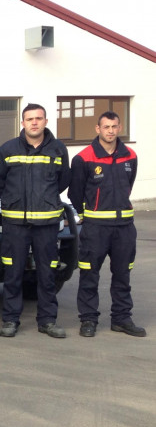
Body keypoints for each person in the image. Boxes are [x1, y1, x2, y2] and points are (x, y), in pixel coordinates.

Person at [0, 103, 71, 338]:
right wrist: (14, 201)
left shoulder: (58, 150)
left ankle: (47, 321)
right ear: (22, 123)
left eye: (38, 118)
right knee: (13, 274)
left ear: (46, 121)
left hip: (46, 225)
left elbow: (63, 180)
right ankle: (10, 320)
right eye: (29, 119)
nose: (34, 122)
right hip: (15, 224)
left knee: (47, 274)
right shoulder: (7, 149)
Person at [69, 111, 145, 338]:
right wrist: (86, 214)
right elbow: (75, 193)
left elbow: (128, 187)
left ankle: (122, 319)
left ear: (119, 127)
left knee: (123, 274)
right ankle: (89, 319)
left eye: (114, 126)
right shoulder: (83, 158)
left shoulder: (130, 155)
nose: (110, 131)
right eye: (106, 127)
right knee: (89, 275)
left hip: (124, 228)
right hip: (95, 229)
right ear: (97, 129)